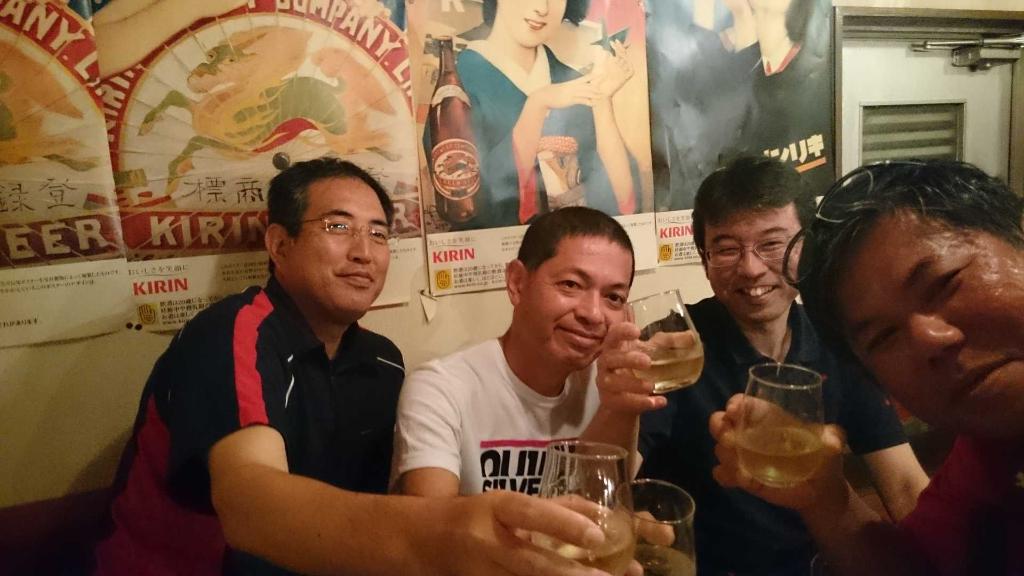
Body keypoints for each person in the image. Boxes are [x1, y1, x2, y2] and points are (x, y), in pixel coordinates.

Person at [91, 157, 617, 576]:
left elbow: (382, 504)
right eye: (338, 226)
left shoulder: (382, 362)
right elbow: (250, 506)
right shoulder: (233, 332)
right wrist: (445, 533)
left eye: (380, 234)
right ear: (279, 244)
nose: (364, 252)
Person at [608, 156, 928, 574]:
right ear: (705, 260)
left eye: (772, 244)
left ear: (805, 247)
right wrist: (619, 402)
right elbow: (619, 476)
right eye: (727, 249)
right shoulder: (676, 345)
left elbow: (903, 483)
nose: (751, 268)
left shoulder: (836, 339)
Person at [710, 159, 1024, 575]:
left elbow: (904, 484)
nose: (930, 339)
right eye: (884, 336)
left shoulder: (828, 350)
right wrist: (825, 495)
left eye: (943, 283)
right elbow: (922, 565)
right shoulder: (988, 451)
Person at [395, 206, 655, 496]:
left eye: (614, 297)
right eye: (571, 284)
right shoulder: (441, 389)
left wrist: (619, 408)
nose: (593, 314)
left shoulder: (609, 386)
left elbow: (603, 507)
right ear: (517, 283)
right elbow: (434, 518)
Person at [445, 0, 641, 229]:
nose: (542, 8)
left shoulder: (571, 81)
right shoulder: (457, 82)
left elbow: (621, 203)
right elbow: (468, 201)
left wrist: (601, 100)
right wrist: (536, 106)